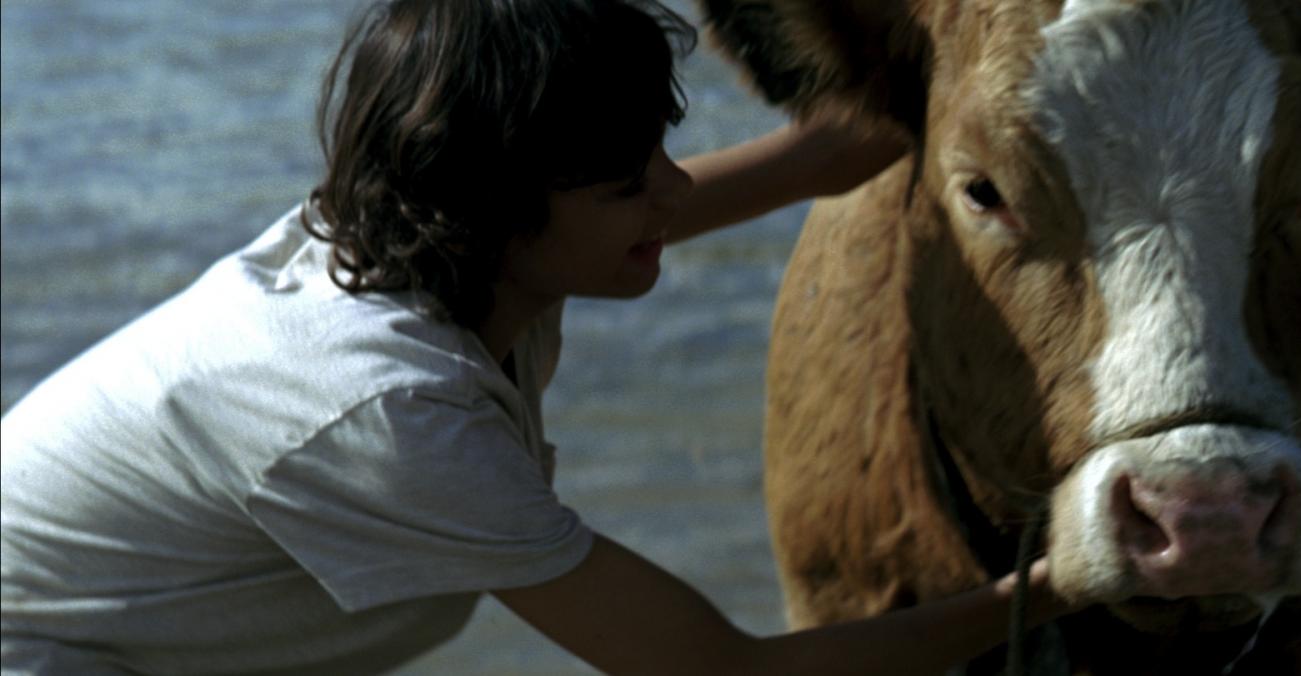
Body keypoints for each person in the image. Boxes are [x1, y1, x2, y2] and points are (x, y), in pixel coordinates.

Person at [0, 0, 1070, 674]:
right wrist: (1060, 587)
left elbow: (811, 161)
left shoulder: (433, 235)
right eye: (625, 183)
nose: (668, 194)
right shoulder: (390, 415)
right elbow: (717, 669)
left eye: (657, 154)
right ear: (496, 206)